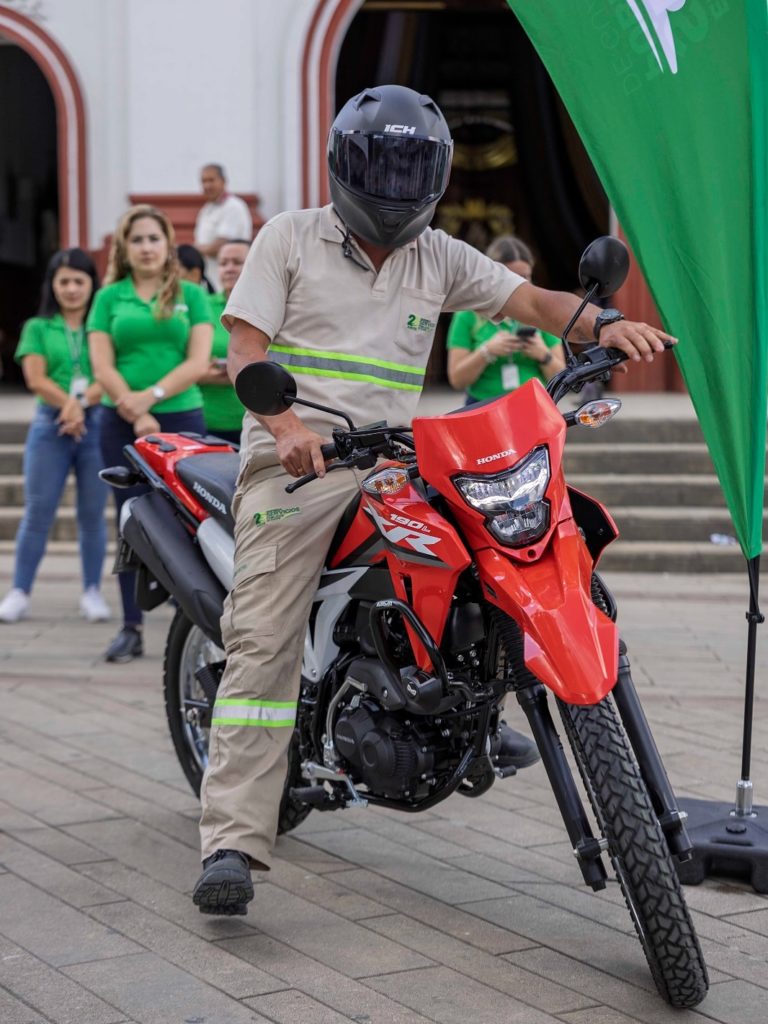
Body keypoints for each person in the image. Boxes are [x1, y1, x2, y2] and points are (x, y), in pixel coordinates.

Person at [193, 85, 672, 915]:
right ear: (346, 167)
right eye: (382, 166)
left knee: (487, 550)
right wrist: (285, 424)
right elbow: (244, 352)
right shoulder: (289, 238)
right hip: (298, 461)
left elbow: (533, 302)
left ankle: (469, 708)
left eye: (411, 169)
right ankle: (232, 838)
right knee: (264, 638)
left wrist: (601, 324)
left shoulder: (437, 254)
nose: (395, 184)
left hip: (392, 458)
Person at [88, 204, 213, 663]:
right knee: (127, 519)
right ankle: (131, 626)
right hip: (119, 420)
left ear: (168, 245)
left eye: (154, 238)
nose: (146, 247)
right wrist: (133, 407)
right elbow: (102, 365)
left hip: (182, 420)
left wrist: (151, 398)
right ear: (125, 247)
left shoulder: (190, 294)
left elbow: (198, 361)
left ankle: (194, 623)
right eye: (137, 239)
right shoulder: (109, 298)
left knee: (188, 522)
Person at [0, 249, 110, 625]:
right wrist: (70, 405)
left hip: (96, 423)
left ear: (91, 284)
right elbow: (35, 378)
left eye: (79, 281)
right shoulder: (37, 327)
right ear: (53, 285)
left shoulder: (102, 327)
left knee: (92, 515)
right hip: (50, 425)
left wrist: (80, 404)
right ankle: (19, 592)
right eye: (64, 281)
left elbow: (109, 373)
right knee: (38, 511)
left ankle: (92, 591)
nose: (72, 288)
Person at [447, 236, 565, 403]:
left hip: (533, 403)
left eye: (526, 277)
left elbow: (562, 379)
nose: (521, 285)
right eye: (512, 278)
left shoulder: (541, 312)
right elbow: (457, 380)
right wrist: (486, 351)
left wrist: (543, 354)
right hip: (483, 405)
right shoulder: (468, 314)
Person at [198, 239, 249, 444]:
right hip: (206, 421)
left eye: (237, 262)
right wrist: (199, 374)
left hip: (255, 422)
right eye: (223, 263)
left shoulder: (270, 308)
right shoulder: (203, 305)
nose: (229, 268)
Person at [193, 164, 252, 290]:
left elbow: (220, 246)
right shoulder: (206, 209)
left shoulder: (233, 206)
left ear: (223, 181)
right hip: (211, 281)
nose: (207, 185)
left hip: (232, 282)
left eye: (211, 180)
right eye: (204, 181)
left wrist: (196, 249)